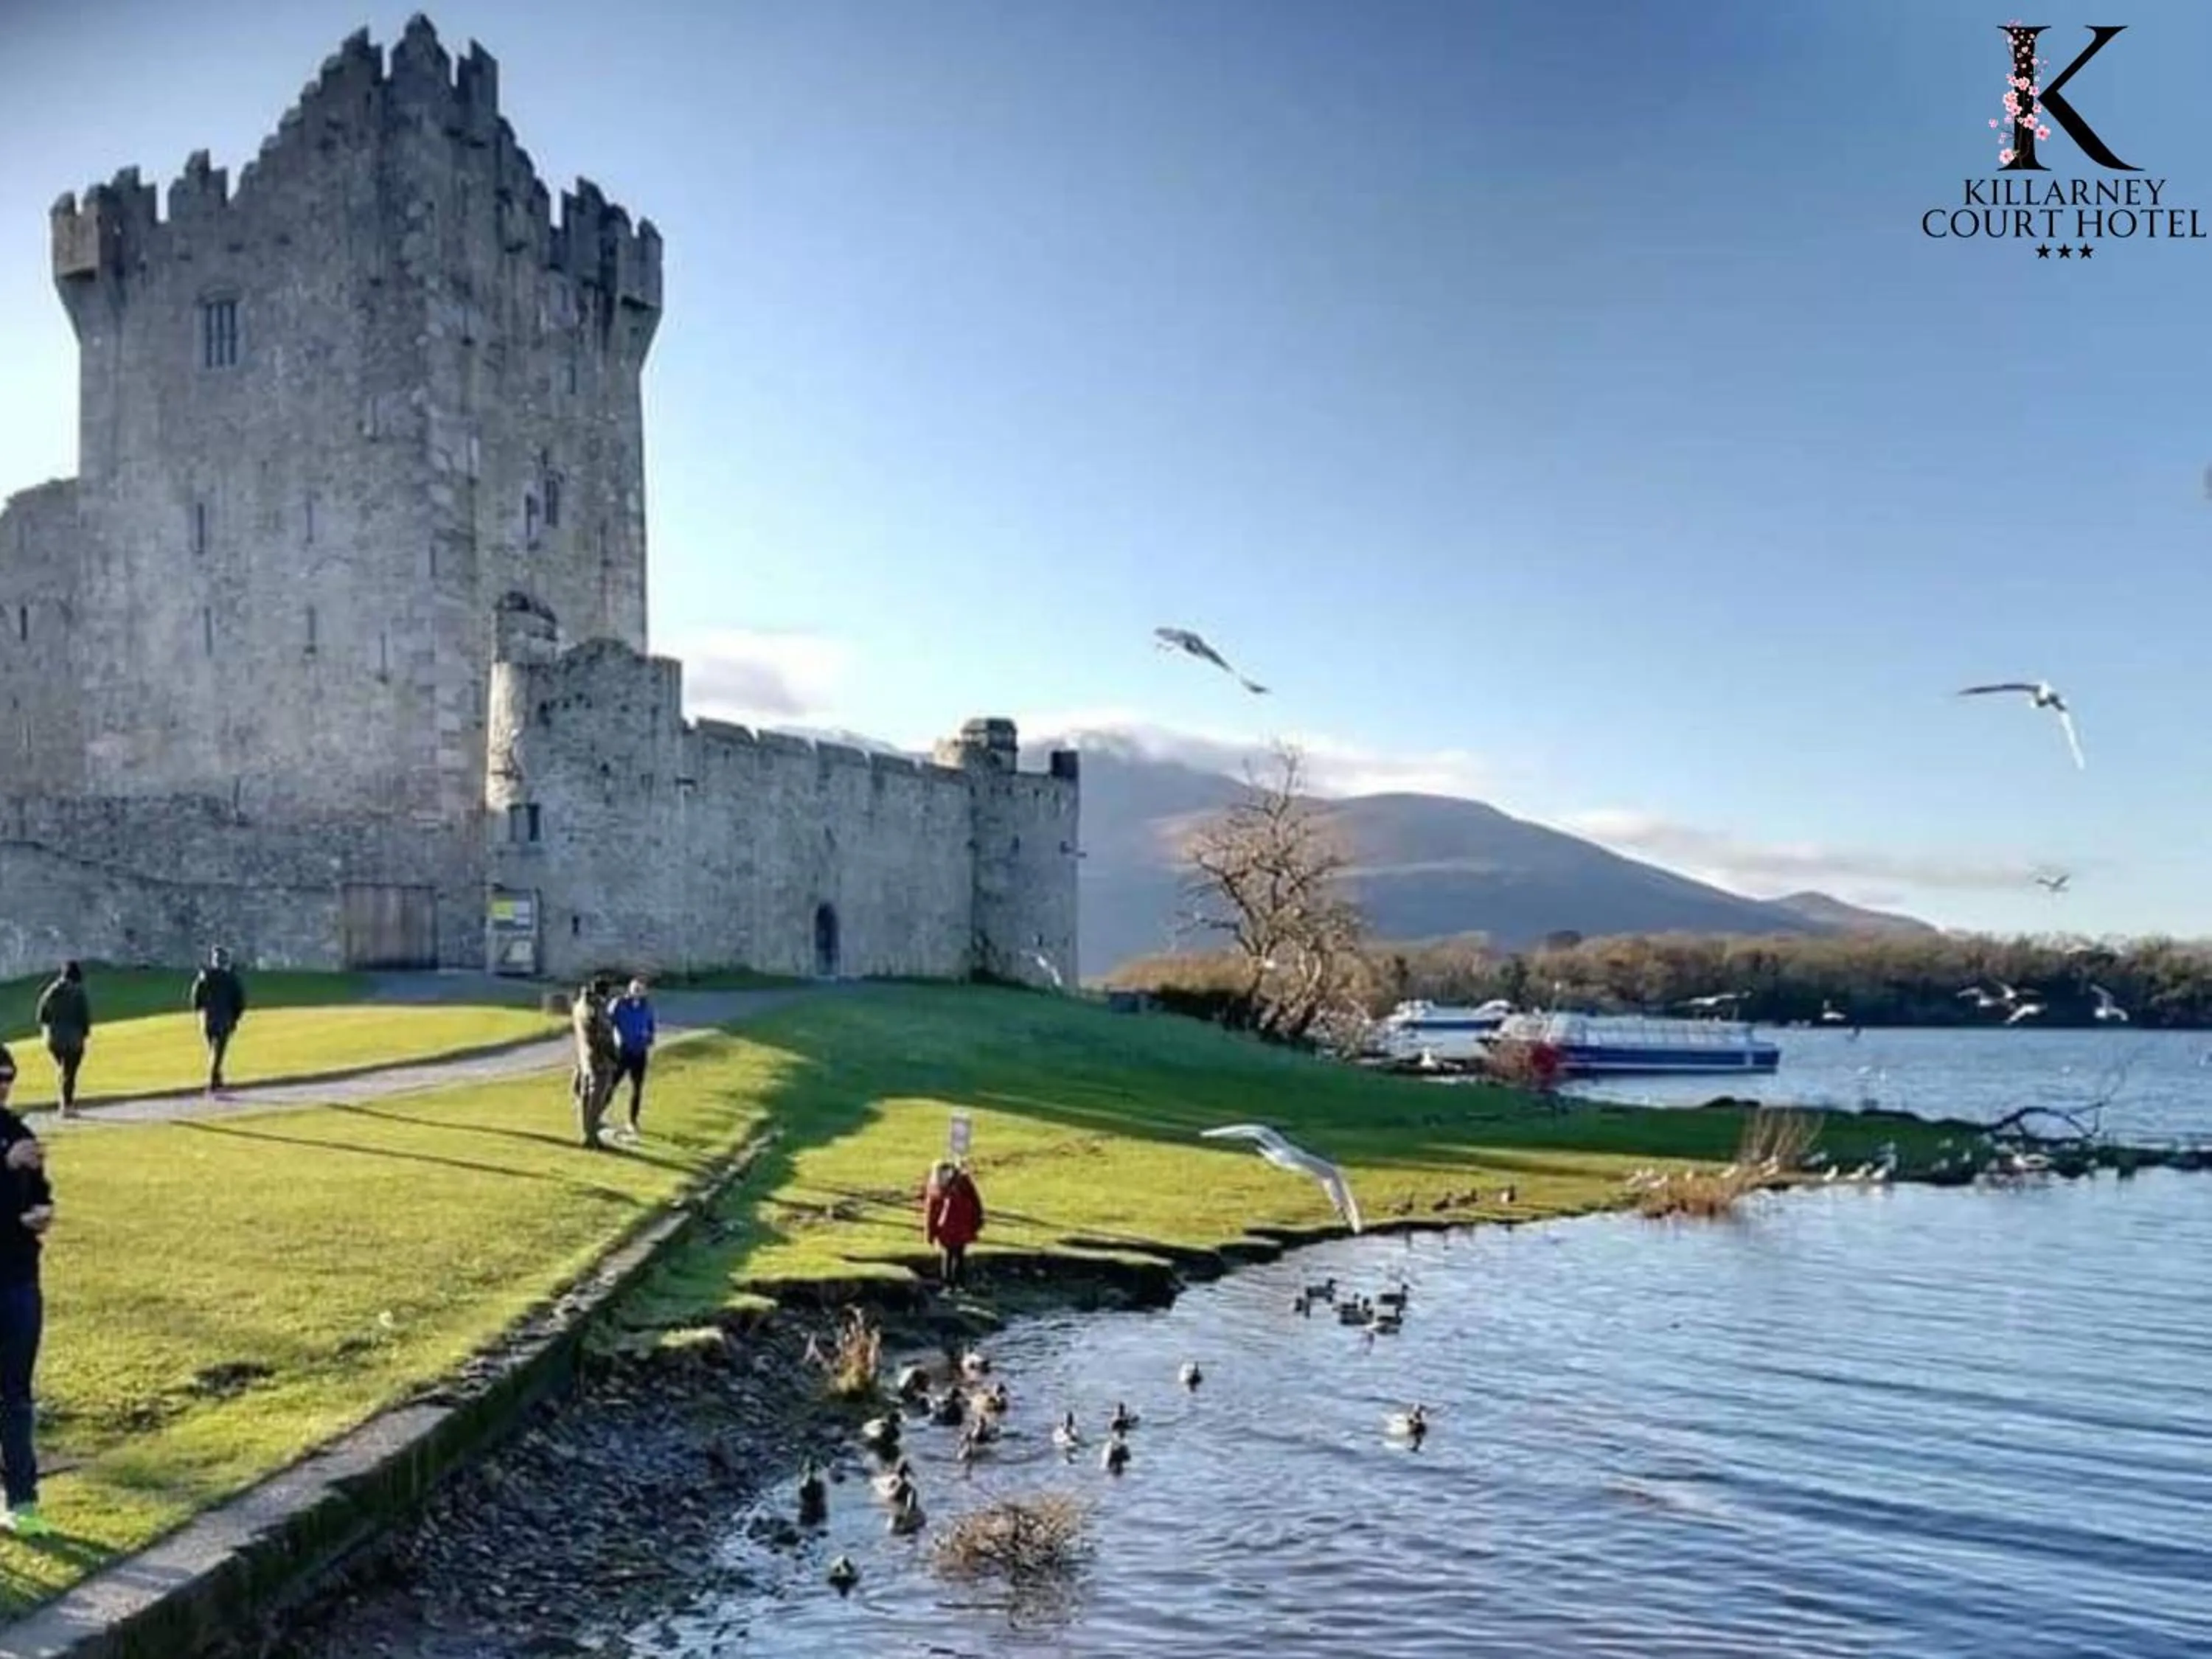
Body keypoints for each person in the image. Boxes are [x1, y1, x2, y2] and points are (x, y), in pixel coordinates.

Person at [0, 1046, 55, 1537]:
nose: (2, 1085)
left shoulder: (21, 1134)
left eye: (8, 1077)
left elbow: (41, 1194)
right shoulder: (10, 1146)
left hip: (18, 1279)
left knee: (16, 1395)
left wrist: (42, 1213)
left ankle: (21, 1499)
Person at [34, 963, 91, 1119]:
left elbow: (41, 1016)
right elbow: (83, 1018)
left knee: (63, 1069)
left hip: (53, 1040)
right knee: (70, 1072)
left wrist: (51, 1028)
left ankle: (64, 1103)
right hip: (73, 1040)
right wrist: (84, 1034)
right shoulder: (78, 993)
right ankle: (67, 1106)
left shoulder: (51, 991)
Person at [189, 947, 248, 1094]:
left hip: (208, 1019)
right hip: (224, 1019)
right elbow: (239, 1002)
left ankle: (218, 1080)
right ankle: (213, 1083)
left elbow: (196, 1000)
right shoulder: (231, 978)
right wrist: (235, 1018)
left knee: (213, 1050)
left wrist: (201, 1008)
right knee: (218, 1052)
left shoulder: (205, 977)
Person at [569, 977, 619, 1150]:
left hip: (585, 1058)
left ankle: (588, 1132)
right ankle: (591, 1135)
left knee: (586, 1095)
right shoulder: (595, 1009)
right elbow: (604, 1036)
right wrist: (613, 1056)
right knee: (598, 1097)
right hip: (598, 1058)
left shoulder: (579, 1005)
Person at [922, 1159, 984, 1292]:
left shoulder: (937, 1186)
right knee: (957, 1255)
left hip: (949, 1227)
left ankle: (950, 1285)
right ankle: (958, 1283)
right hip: (960, 1226)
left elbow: (931, 1212)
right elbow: (975, 1201)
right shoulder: (961, 1182)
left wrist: (930, 1233)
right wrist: (978, 1220)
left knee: (951, 1255)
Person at [608, 978, 656, 1142]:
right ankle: (598, 1115)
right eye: (635, 988)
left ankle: (632, 1121)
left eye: (640, 989)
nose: (637, 992)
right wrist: (613, 1042)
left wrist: (648, 1038)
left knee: (637, 1088)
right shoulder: (619, 1004)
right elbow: (609, 1023)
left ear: (645, 992)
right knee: (611, 1084)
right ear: (629, 989)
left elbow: (650, 1026)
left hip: (639, 1052)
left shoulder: (646, 1007)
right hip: (622, 1051)